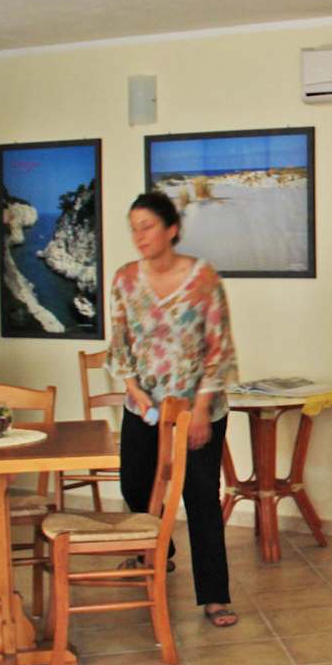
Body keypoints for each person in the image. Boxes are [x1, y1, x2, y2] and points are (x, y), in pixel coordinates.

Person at [107, 191, 240, 626]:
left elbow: (219, 350)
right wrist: (133, 388)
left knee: (200, 495)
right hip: (144, 406)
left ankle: (215, 597)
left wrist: (200, 411)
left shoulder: (203, 278)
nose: (139, 236)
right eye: (134, 228)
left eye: (147, 227)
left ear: (172, 229)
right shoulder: (125, 280)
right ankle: (158, 550)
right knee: (134, 484)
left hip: (197, 406)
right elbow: (120, 343)